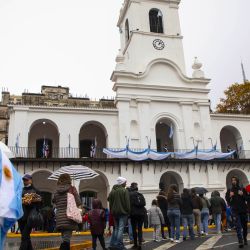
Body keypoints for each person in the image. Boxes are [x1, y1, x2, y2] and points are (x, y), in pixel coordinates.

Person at [52, 173, 81, 250]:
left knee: (64, 238)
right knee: (66, 240)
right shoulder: (72, 189)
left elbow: (54, 201)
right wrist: (74, 193)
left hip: (59, 217)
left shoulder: (56, 190)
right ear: (69, 180)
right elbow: (78, 202)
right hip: (69, 217)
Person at [18, 174, 41, 250]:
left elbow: (40, 204)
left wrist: (32, 202)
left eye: (27, 180)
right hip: (21, 217)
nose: (25, 181)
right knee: (26, 237)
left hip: (30, 217)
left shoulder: (36, 191)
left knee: (24, 237)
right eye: (24, 180)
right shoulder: (20, 190)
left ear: (31, 180)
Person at [108, 176, 130, 250]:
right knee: (121, 228)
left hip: (114, 213)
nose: (126, 184)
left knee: (117, 228)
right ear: (122, 183)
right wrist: (128, 211)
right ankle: (119, 244)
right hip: (123, 212)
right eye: (125, 182)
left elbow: (109, 200)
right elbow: (127, 203)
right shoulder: (124, 191)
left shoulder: (113, 191)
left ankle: (115, 244)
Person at [226, 176, 248, 248]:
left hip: (243, 210)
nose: (233, 181)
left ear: (237, 181)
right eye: (232, 180)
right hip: (235, 211)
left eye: (235, 180)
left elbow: (248, 199)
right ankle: (240, 241)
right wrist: (230, 196)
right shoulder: (230, 190)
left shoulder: (242, 189)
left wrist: (243, 195)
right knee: (238, 226)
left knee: (244, 226)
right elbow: (228, 201)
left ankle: (244, 238)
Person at [129, 182, 146, 250]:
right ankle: (140, 243)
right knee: (139, 229)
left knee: (133, 229)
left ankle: (135, 243)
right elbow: (144, 203)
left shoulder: (130, 195)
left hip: (133, 214)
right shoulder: (140, 194)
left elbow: (128, 204)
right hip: (141, 214)